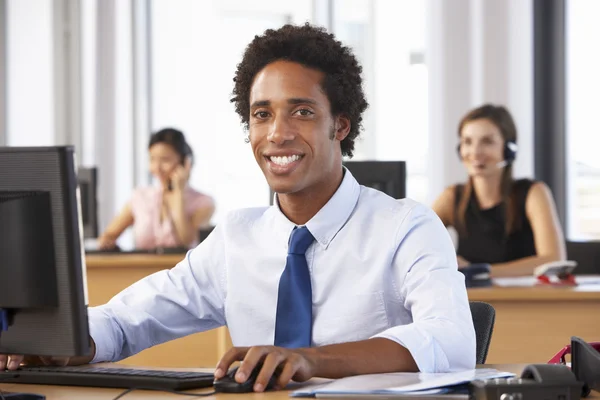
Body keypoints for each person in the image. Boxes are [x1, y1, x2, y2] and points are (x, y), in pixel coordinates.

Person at [1, 24, 475, 391]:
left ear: (341, 126)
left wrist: (313, 359)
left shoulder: (405, 226)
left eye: (302, 111)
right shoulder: (238, 237)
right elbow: (130, 318)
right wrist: (62, 346)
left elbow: (452, 339)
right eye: (261, 113)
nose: (277, 133)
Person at [432, 104, 565, 277]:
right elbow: (413, 241)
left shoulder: (533, 193)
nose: (475, 151)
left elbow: (553, 259)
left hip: (523, 300)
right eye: (467, 142)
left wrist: (480, 271)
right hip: (469, 301)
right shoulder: (452, 197)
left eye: (487, 142)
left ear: (509, 150)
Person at [96, 128, 215, 250]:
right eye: (152, 159)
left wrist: (178, 196)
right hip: (144, 268)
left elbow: (187, 241)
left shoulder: (203, 202)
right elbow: (108, 236)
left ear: (184, 163)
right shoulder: (141, 197)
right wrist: (108, 243)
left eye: (165, 160)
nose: (157, 168)